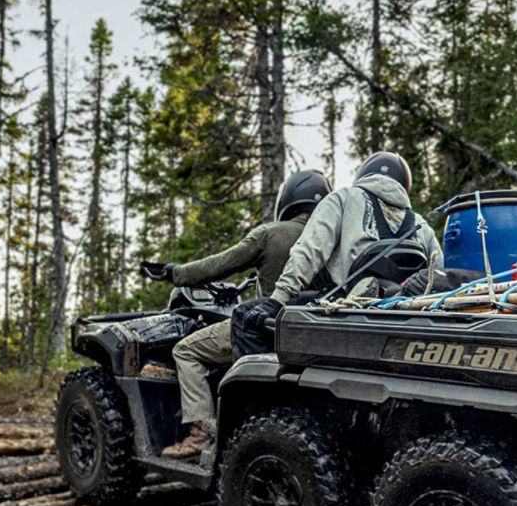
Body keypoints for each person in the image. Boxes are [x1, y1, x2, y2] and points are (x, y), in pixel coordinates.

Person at [147, 170, 331, 459]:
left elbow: (219, 265)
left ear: (289, 200)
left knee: (185, 350)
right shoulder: (333, 238)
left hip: (266, 327)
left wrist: (176, 273)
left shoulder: (271, 234)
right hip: (316, 333)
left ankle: (201, 434)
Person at [231, 151, 441, 354]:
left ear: (364, 174)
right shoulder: (422, 226)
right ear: (404, 184)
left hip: (342, 308)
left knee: (243, 316)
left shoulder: (343, 198)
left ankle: (265, 388)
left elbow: (309, 250)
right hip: (398, 312)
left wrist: (277, 299)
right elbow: (438, 277)